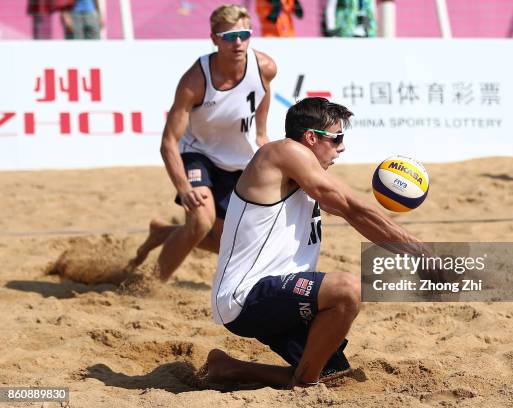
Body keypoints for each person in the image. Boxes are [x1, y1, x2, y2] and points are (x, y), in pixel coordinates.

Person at [204, 97, 428, 388]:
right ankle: (304, 381)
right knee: (347, 290)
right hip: (247, 295)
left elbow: (357, 217)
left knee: (335, 378)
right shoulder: (283, 152)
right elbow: (353, 207)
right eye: (337, 138)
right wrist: (422, 253)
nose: (342, 147)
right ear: (310, 137)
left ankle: (228, 368)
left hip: (285, 297)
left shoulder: (305, 178)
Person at [129, 4, 277, 282]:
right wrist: (183, 188)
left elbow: (262, 106)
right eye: (229, 36)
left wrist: (262, 139)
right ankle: (149, 284)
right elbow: (168, 142)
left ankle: (162, 233)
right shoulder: (195, 80)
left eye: (244, 35)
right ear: (214, 39)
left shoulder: (265, 67)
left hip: (238, 161)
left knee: (228, 244)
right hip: (198, 154)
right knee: (199, 220)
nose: (238, 43)